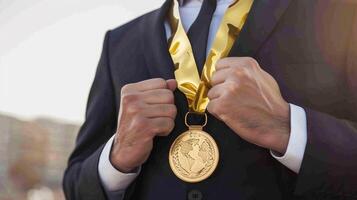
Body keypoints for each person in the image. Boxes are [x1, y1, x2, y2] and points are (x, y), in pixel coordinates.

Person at [63, 0, 357, 199]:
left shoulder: (340, 14)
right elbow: (75, 187)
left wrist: (286, 127)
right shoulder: (119, 42)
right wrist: (116, 157)